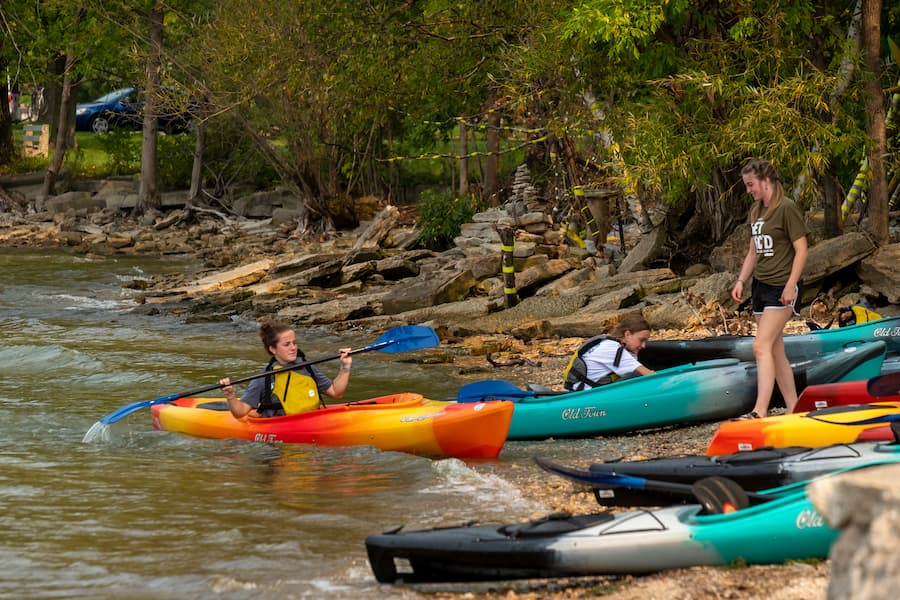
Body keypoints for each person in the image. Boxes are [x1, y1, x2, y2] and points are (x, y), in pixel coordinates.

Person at [731, 158, 810, 418]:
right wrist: (741, 280)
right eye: (746, 185)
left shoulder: (786, 208)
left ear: (766, 181)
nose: (748, 190)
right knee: (775, 350)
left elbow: (801, 250)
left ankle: (760, 411)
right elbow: (753, 251)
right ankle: (794, 408)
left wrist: (790, 286)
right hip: (761, 286)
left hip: (782, 286)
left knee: (760, 346)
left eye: (751, 184)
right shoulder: (756, 212)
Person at [219, 319, 353, 418]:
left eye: (294, 343)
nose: (293, 347)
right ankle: (258, 412)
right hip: (280, 428)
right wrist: (230, 395)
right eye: (287, 344)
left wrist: (345, 366)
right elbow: (240, 412)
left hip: (312, 420)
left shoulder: (307, 368)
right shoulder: (264, 378)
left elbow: (336, 392)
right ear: (273, 349)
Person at [564, 313, 656, 391]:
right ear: (627, 334)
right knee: (637, 375)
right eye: (641, 340)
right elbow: (648, 375)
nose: (643, 346)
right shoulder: (614, 350)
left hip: (586, 390)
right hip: (584, 396)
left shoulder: (608, 343)